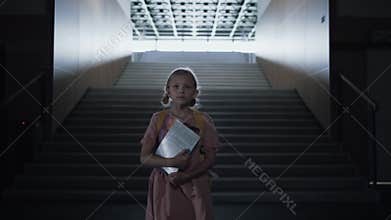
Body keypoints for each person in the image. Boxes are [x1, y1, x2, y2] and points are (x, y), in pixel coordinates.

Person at [139, 67, 220, 220]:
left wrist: (187, 176)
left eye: (187, 87)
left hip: (194, 182)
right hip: (166, 183)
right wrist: (171, 162)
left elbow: (210, 158)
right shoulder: (158, 119)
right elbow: (144, 157)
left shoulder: (203, 120)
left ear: (195, 93)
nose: (181, 90)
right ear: (168, 91)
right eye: (176, 86)